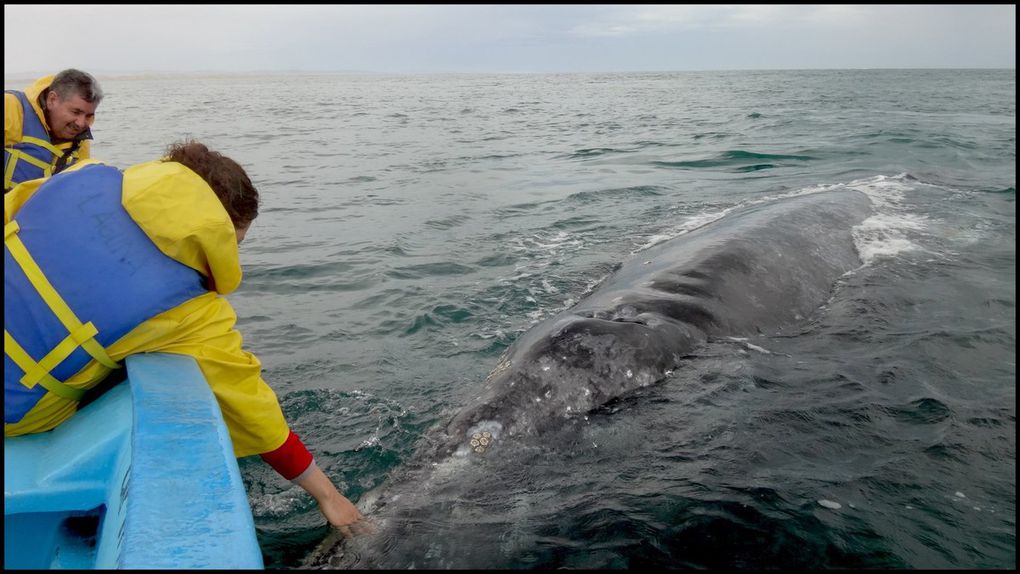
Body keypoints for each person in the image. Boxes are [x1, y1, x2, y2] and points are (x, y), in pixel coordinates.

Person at [4, 140, 365, 535]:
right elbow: (253, 410)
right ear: (215, 232)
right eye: (235, 244)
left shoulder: (82, 176)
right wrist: (329, 496)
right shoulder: (186, 308)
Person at [4, 68, 103, 193]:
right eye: (76, 112)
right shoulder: (10, 107)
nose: (81, 123)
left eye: (88, 115)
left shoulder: (81, 141)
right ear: (52, 100)